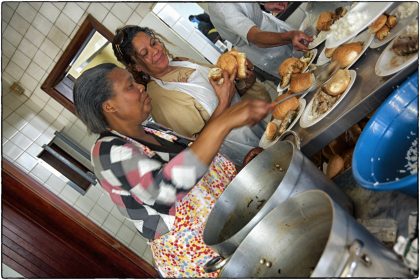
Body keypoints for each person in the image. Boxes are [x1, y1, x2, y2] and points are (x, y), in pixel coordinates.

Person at [73, 63, 271, 277]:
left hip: (231, 227)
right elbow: (164, 190)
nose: (141, 87)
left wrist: (240, 170)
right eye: (130, 86)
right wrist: (224, 123)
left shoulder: (150, 129)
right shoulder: (106, 152)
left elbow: (196, 153)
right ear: (109, 106)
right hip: (207, 255)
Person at [112, 25, 271, 166]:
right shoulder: (159, 99)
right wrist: (224, 100)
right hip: (245, 152)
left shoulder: (182, 62)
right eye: (145, 53)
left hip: (258, 126)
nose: (156, 51)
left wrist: (245, 80)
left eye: (153, 43)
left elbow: (230, 88)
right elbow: (198, 144)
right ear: (137, 67)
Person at [208, 2, 313, 78]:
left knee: (310, 55)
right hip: (261, 47)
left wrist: (264, 3)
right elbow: (255, 37)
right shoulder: (223, 8)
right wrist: (289, 37)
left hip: (267, 23)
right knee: (298, 73)